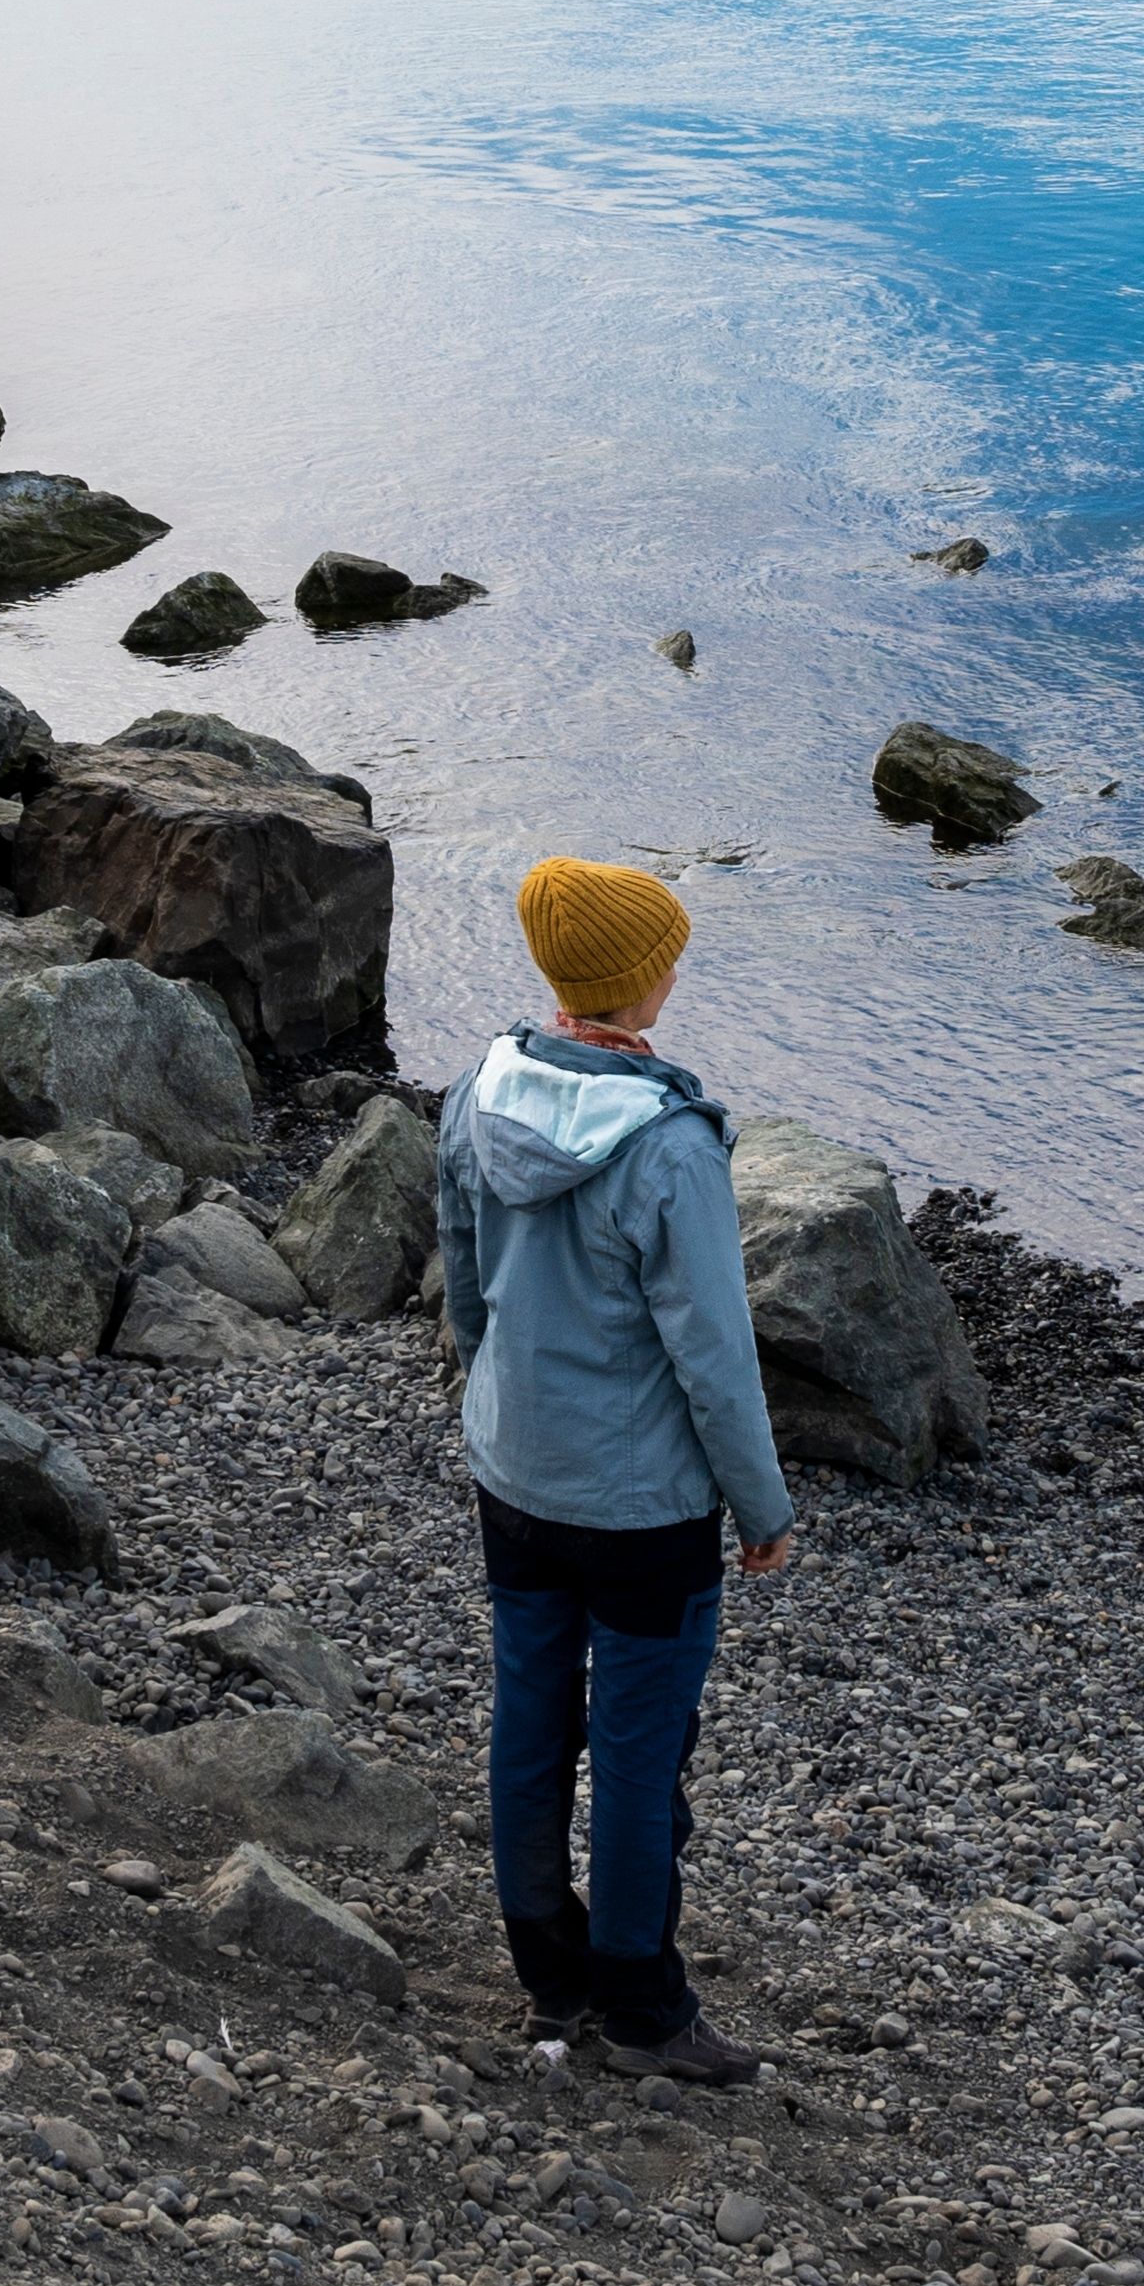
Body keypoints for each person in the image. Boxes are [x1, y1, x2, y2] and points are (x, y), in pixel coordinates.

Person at [436, 857, 795, 2085]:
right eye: (667, 959)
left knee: (531, 1720)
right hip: (643, 1511)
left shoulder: (480, 1089)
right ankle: (642, 2010)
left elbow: (463, 1268)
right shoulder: (673, 1149)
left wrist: (490, 1396)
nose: (676, 972)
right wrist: (762, 1505)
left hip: (515, 1477)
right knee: (641, 1753)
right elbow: (715, 1355)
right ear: (643, 984)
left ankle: (551, 1977)